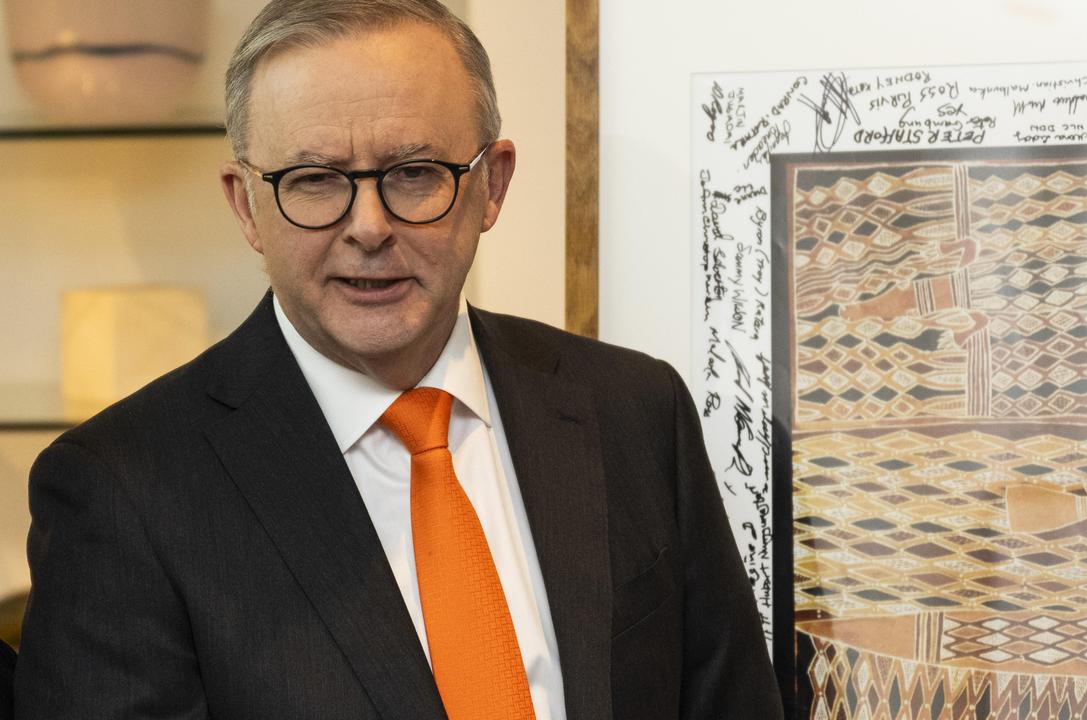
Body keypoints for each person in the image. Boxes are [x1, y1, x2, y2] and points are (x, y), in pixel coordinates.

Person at [13, 1, 783, 718]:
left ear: (492, 184)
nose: (370, 226)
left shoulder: (633, 408)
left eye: (415, 173)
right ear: (246, 205)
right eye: (314, 181)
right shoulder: (120, 489)